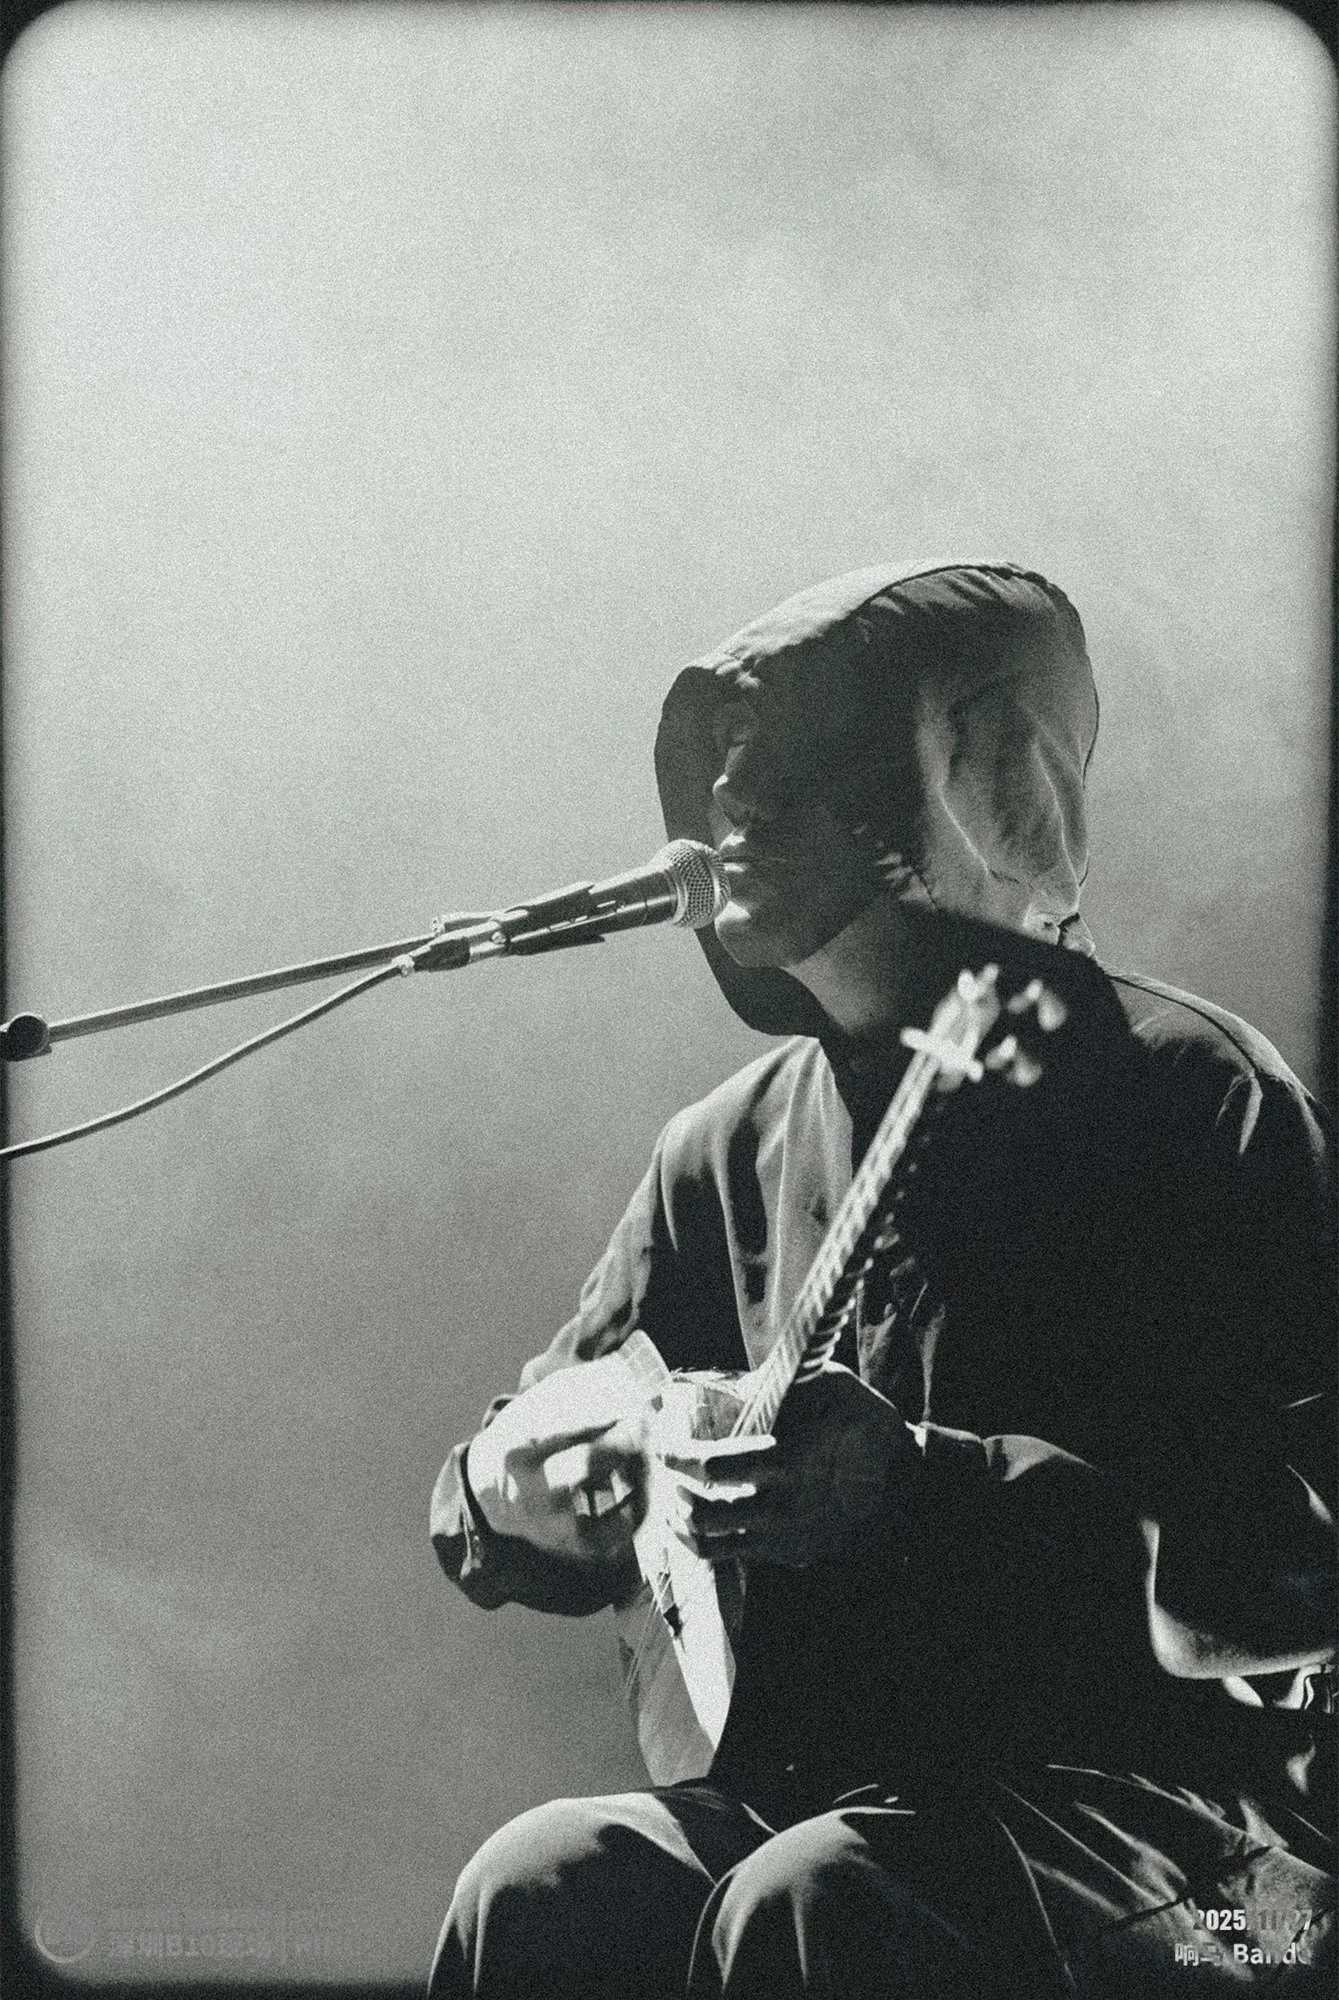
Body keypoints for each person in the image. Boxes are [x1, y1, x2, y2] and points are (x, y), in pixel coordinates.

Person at [427, 561, 1336, 1999]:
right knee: (546, 1884)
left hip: (1221, 1867)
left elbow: (1293, 1559)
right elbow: (515, 1472)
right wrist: (508, 1487)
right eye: (718, 755)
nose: (727, 796)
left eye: (789, 753)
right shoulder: (719, 1151)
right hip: (838, 1798)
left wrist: (927, 1487)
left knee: (828, 1895)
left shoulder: (1187, 1090)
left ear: (961, 789)